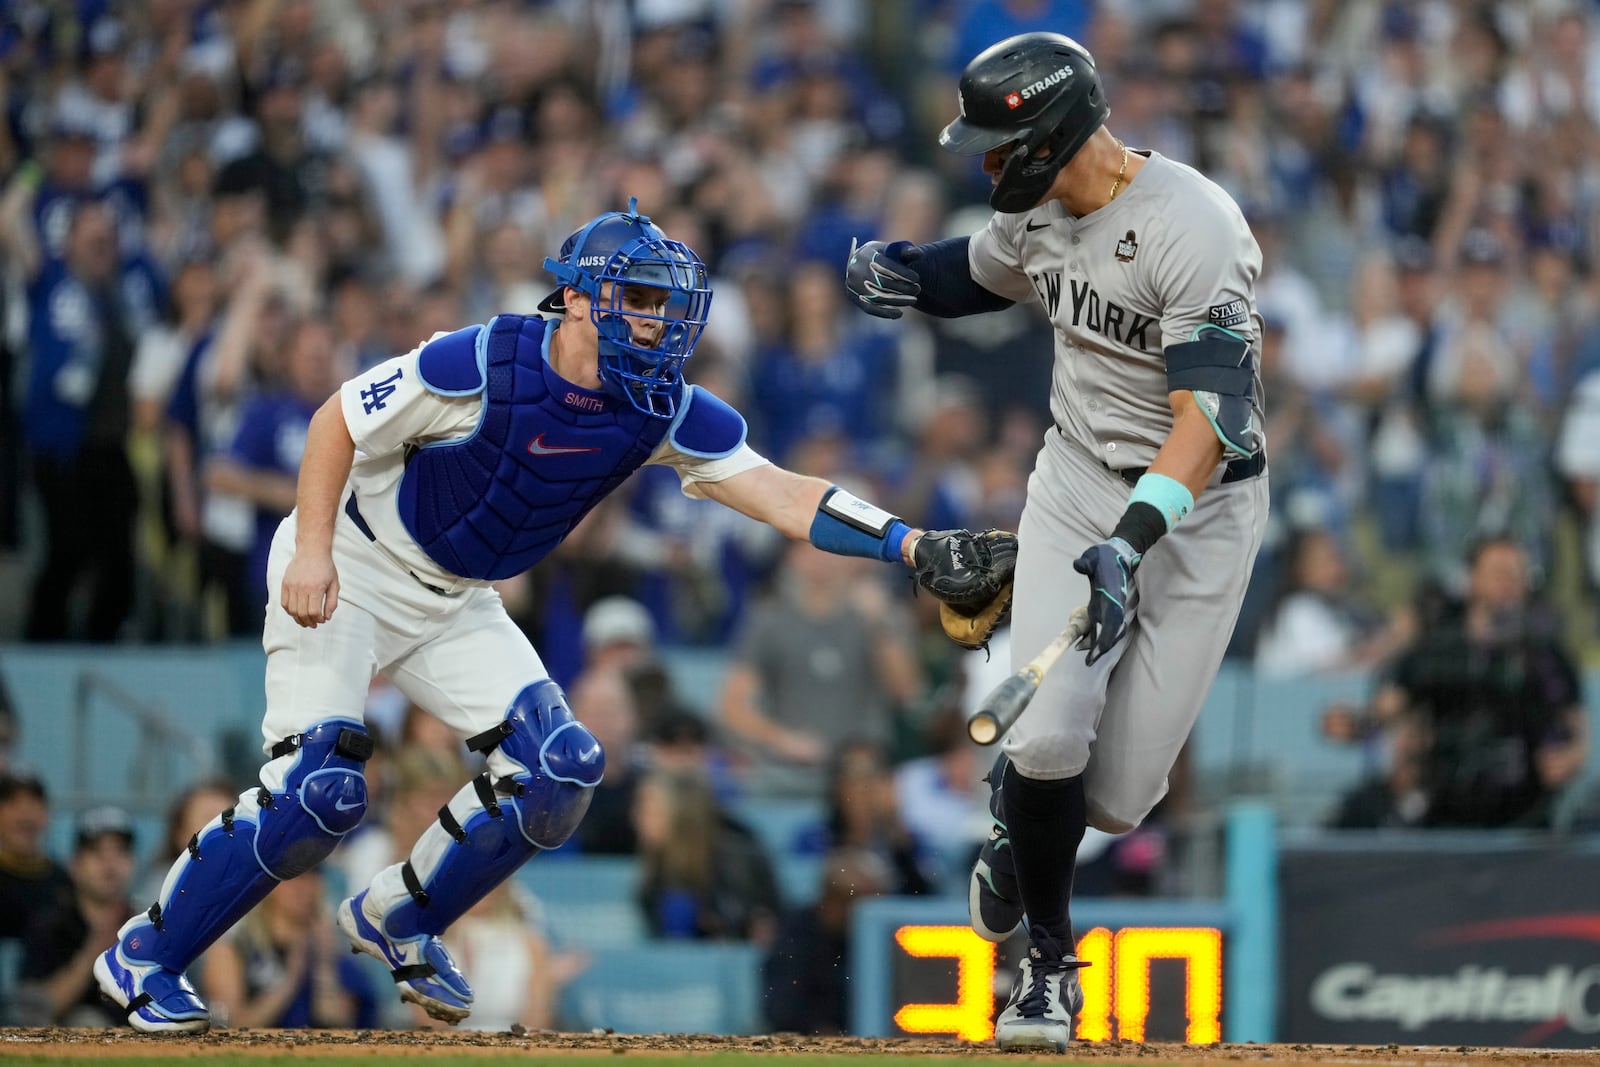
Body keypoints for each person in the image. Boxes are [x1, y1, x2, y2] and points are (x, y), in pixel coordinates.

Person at [95, 199, 1013, 1033]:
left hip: (456, 598)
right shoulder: (485, 359)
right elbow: (338, 418)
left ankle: (400, 915)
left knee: (561, 768)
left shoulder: (660, 408)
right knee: (320, 793)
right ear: (579, 301)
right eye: (640, 297)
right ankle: (143, 954)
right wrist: (309, 552)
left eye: (665, 302)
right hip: (356, 557)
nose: (658, 320)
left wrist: (909, 544)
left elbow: (780, 491)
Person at [843, 34, 1269, 1051]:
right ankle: (1043, 969)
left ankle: (1017, 820)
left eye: (999, 143)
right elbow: (983, 274)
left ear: (1053, 133)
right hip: (1077, 478)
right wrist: (905, 273)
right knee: (1042, 737)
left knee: (1117, 799)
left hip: (1198, 510)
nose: (986, 163)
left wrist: (1132, 543)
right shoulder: (1031, 212)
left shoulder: (1193, 225)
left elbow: (1204, 423)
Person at [16, 807, 138, 1027]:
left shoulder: (146, 926)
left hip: (141, 1047)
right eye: (97, 852)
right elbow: (33, 1011)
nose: (109, 863)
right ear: (75, 865)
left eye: (120, 851)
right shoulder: (50, 925)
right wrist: (93, 952)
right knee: (87, 1020)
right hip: (64, 1048)